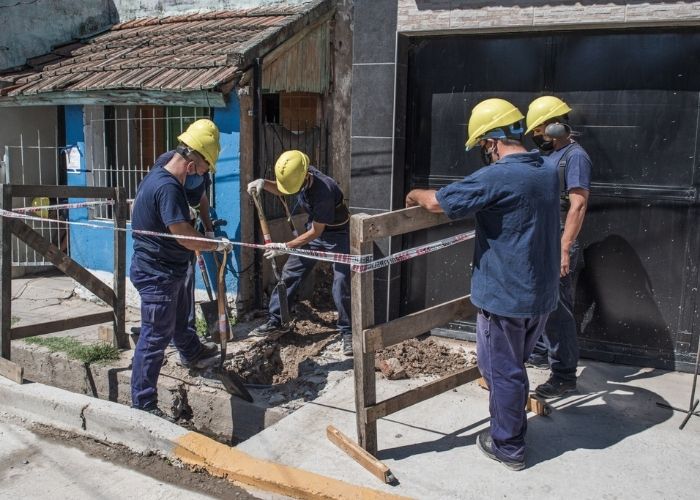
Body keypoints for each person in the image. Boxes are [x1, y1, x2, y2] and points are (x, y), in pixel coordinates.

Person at [405, 98, 560, 470]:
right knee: (515, 365)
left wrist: (412, 193)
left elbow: (437, 203)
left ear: (492, 142)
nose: (484, 153)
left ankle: (508, 446)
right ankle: (513, 424)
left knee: (500, 370)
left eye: (482, 146)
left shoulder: (499, 175)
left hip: (506, 296)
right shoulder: (547, 169)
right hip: (540, 294)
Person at [130, 119, 233, 419]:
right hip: (156, 272)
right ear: (190, 166)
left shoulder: (170, 161)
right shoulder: (167, 189)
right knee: (155, 335)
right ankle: (143, 403)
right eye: (202, 171)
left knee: (180, 314)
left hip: (173, 266)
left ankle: (191, 351)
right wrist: (215, 246)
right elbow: (184, 235)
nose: (202, 176)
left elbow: (199, 195)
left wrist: (210, 230)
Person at [247, 150, 353, 356]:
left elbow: (316, 232)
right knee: (290, 272)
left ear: (306, 176)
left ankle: (347, 332)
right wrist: (264, 183)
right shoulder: (300, 173)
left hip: (337, 233)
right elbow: (283, 188)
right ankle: (277, 320)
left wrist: (285, 246)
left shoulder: (325, 191)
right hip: (315, 229)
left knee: (341, 281)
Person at [524, 96, 592, 399]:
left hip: (558, 240)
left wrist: (564, 249)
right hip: (542, 237)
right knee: (543, 302)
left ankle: (564, 376)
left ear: (555, 125)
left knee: (558, 310)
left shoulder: (575, 157)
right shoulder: (548, 154)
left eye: (540, 130)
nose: (537, 137)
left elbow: (577, 206)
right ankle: (540, 351)